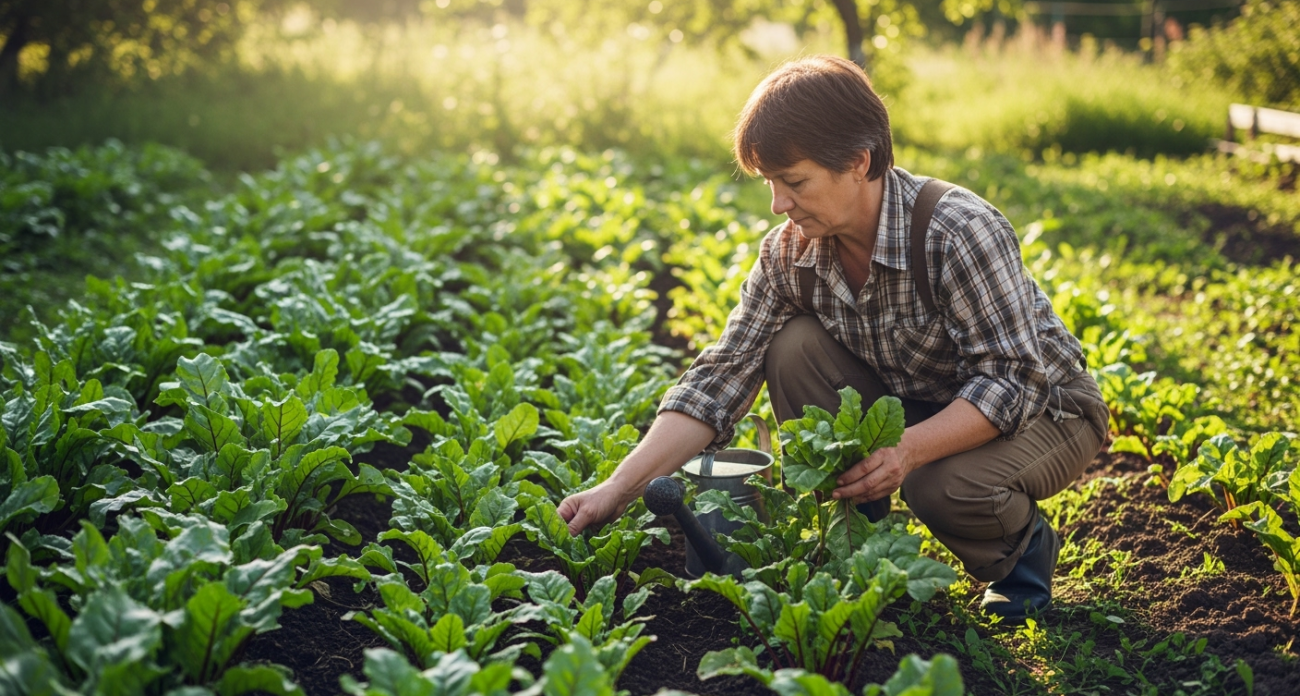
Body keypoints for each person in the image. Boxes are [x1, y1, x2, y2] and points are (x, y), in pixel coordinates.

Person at [557, 55, 1108, 621]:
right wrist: (616, 490)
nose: (778, 204)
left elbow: (1013, 381)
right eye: (771, 184)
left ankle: (1022, 560)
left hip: (1049, 409)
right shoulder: (789, 252)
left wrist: (909, 451)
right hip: (920, 401)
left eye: (794, 182)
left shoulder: (958, 231)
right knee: (792, 348)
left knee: (937, 485)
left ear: (857, 162)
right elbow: (719, 379)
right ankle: (857, 544)